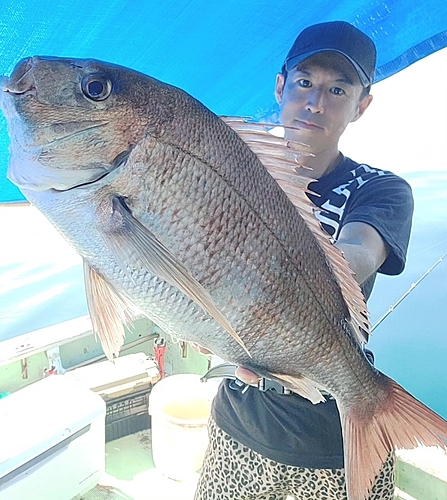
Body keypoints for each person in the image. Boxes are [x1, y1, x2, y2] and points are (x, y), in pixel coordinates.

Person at [194, 21, 414, 500]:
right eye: (305, 82)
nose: (316, 102)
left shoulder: (380, 189)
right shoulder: (230, 173)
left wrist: (286, 269)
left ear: (362, 105)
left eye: (338, 89)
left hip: (335, 443)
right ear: (280, 86)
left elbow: (359, 253)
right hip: (238, 426)